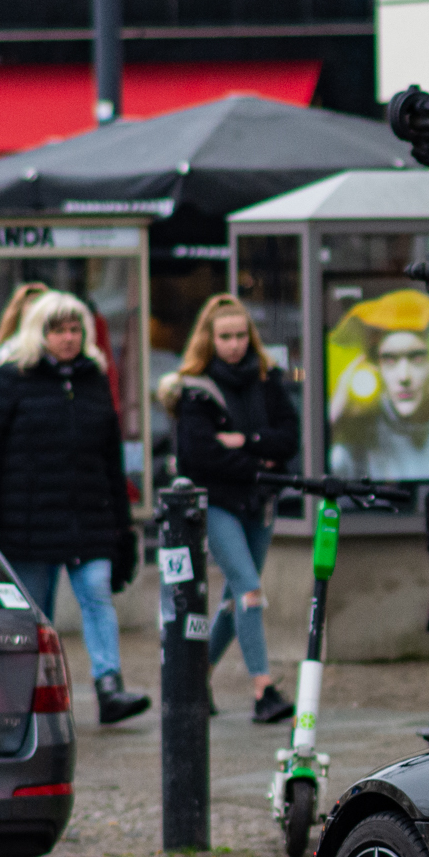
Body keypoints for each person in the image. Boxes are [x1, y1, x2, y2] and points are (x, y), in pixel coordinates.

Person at [0, 290, 149, 725]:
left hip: (87, 515)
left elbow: (110, 457)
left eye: (75, 329)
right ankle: (30, 692)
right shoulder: (9, 379)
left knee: (98, 595)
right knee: (34, 611)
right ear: (39, 333)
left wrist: (122, 526)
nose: (68, 337)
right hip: (28, 519)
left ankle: (109, 685)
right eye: (58, 329)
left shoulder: (93, 378)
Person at [161, 295, 300, 725]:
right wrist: (261, 459)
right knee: (249, 590)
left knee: (234, 597)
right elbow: (198, 456)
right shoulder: (197, 389)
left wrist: (246, 444)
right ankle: (263, 688)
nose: (235, 344)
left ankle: (196, 676)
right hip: (217, 504)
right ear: (210, 339)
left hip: (258, 504)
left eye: (241, 335)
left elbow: (289, 437)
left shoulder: (266, 379)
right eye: (225, 336)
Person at [325, 289, 429, 481]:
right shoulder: (360, 442)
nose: (403, 377)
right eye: (390, 360)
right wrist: (335, 413)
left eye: (416, 358)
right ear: (376, 366)